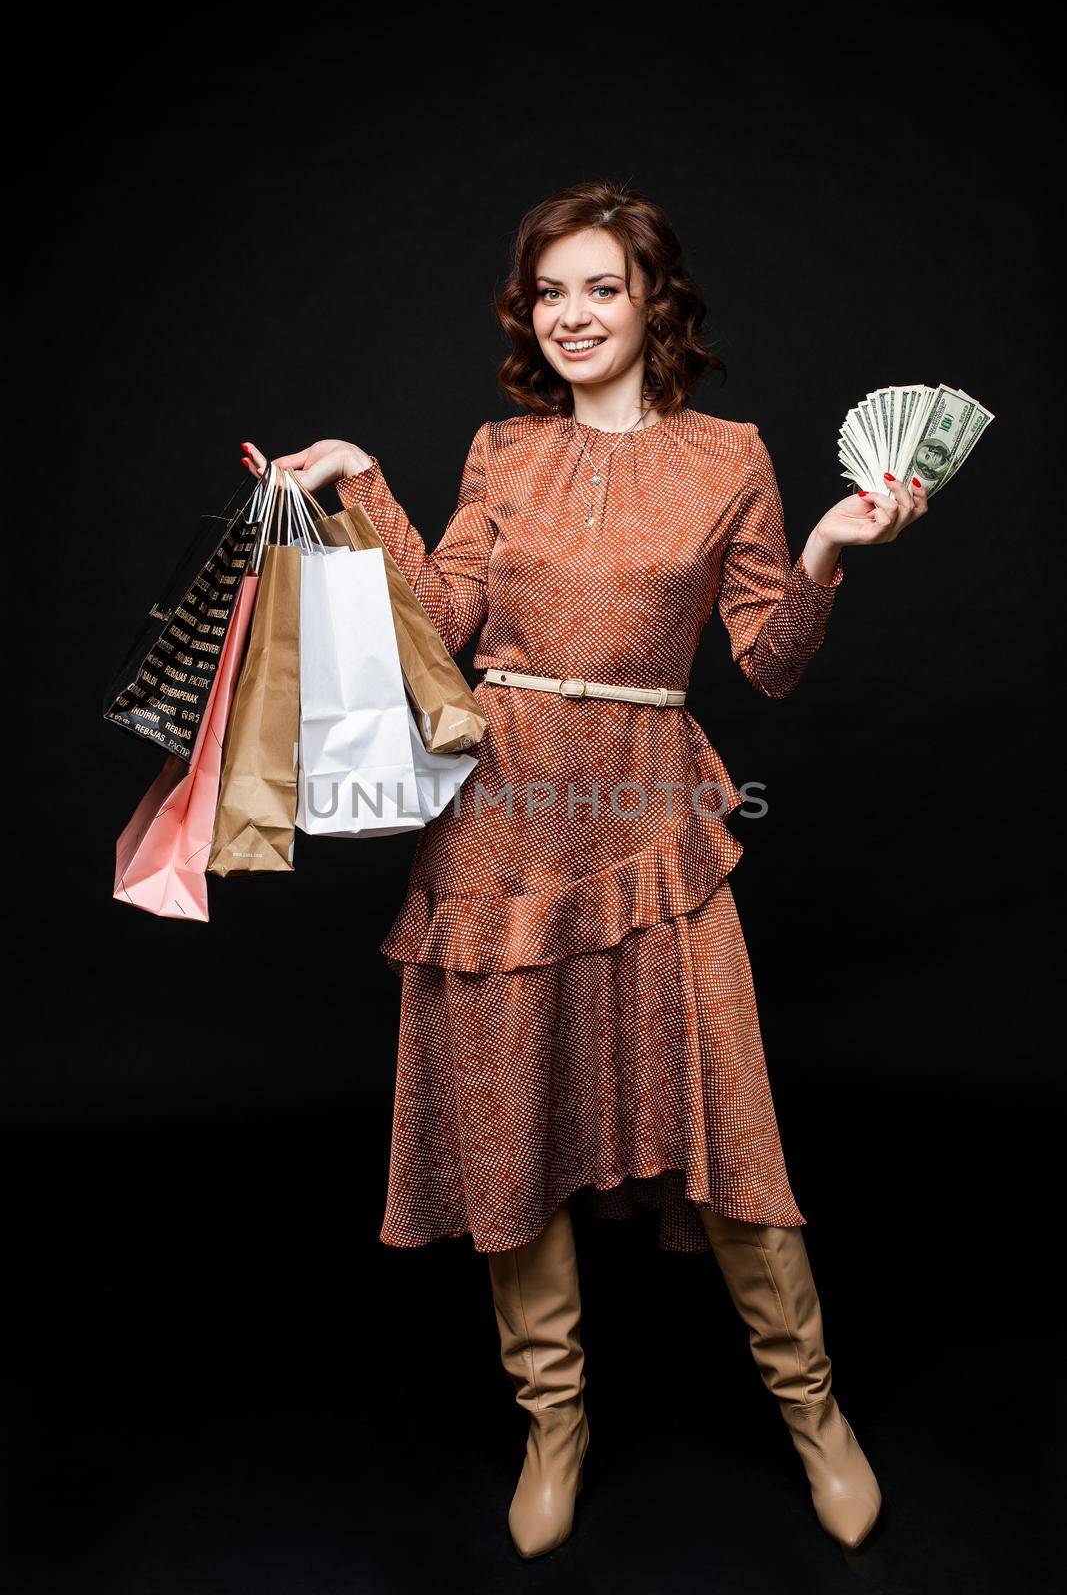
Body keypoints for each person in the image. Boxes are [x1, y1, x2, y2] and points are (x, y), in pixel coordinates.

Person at [240, 179, 927, 1561]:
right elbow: (445, 618)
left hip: (650, 821)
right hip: (496, 821)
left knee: (728, 1120)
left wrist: (829, 555)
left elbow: (769, 663)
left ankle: (816, 1417)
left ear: (650, 300)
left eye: (600, 287)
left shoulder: (728, 454)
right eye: (551, 291)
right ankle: (554, 1424)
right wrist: (359, 484)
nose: (572, 314)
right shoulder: (502, 451)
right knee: (509, 1126)